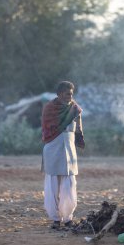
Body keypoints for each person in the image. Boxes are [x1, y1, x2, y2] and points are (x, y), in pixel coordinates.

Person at [41, 81, 85, 229]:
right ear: (59, 94)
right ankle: (55, 219)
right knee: (52, 184)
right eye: (67, 93)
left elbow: (78, 129)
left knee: (69, 184)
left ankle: (67, 219)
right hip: (53, 148)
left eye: (72, 94)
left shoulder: (75, 109)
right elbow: (47, 130)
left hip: (69, 149)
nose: (70, 96)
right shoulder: (49, 109)